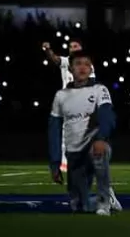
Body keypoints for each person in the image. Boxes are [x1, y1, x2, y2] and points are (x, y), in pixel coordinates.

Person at [49, 51, 120, 215]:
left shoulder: (99, 90)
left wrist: (101, 138)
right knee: (79, 206)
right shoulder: (61, 96)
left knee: (99, 154)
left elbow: (107, 115)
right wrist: (55, 164)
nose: (83, 67)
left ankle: (104, 202)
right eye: (78, 64)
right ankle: (102, 200)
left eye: (87, 64)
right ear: (70, 69)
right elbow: (54, 129)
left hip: (94, 147)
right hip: (74, 154)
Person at [42, 39, 94, 172]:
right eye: (71, 46)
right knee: (66, 132)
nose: (72, 48)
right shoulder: (65, 61)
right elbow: (55, 59)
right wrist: (48, 50)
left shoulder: (88, 65)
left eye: (75, 46)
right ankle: (65, 162)